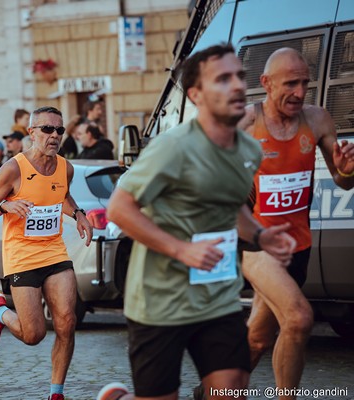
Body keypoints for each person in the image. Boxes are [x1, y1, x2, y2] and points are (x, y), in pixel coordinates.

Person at [96, 44, 296, 400]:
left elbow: (232, 208)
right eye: (222, 79)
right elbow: (120, 209)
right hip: (160, 301)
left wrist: (262, 236)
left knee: (231, 387)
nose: (236, 86)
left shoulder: (248, 150)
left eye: (238, 76)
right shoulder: (173, 148)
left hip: (216, 297)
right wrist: (182, 249)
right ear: (196, 95)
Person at [236, 47, 354, 399]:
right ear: (266, 84)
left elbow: (343, 179)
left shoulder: (317, 119)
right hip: (258, 245)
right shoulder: (244, 124)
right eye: (291, 84)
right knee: (300, 318)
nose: (300, 93)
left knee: (257, 338)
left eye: (304, 83)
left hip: (298, 246)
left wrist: (348, 167)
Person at [0, 106, 93, 400]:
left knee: (67, 321)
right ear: (32, 133)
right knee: (34, 335)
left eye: (60, 130)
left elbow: (61, 195)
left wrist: (78, 213)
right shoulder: (14, 168)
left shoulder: (66, 167)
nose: (54, 136)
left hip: (54, 251)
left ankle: (57, 392)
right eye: (47, 129)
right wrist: (5, 206)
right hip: (21, 255)